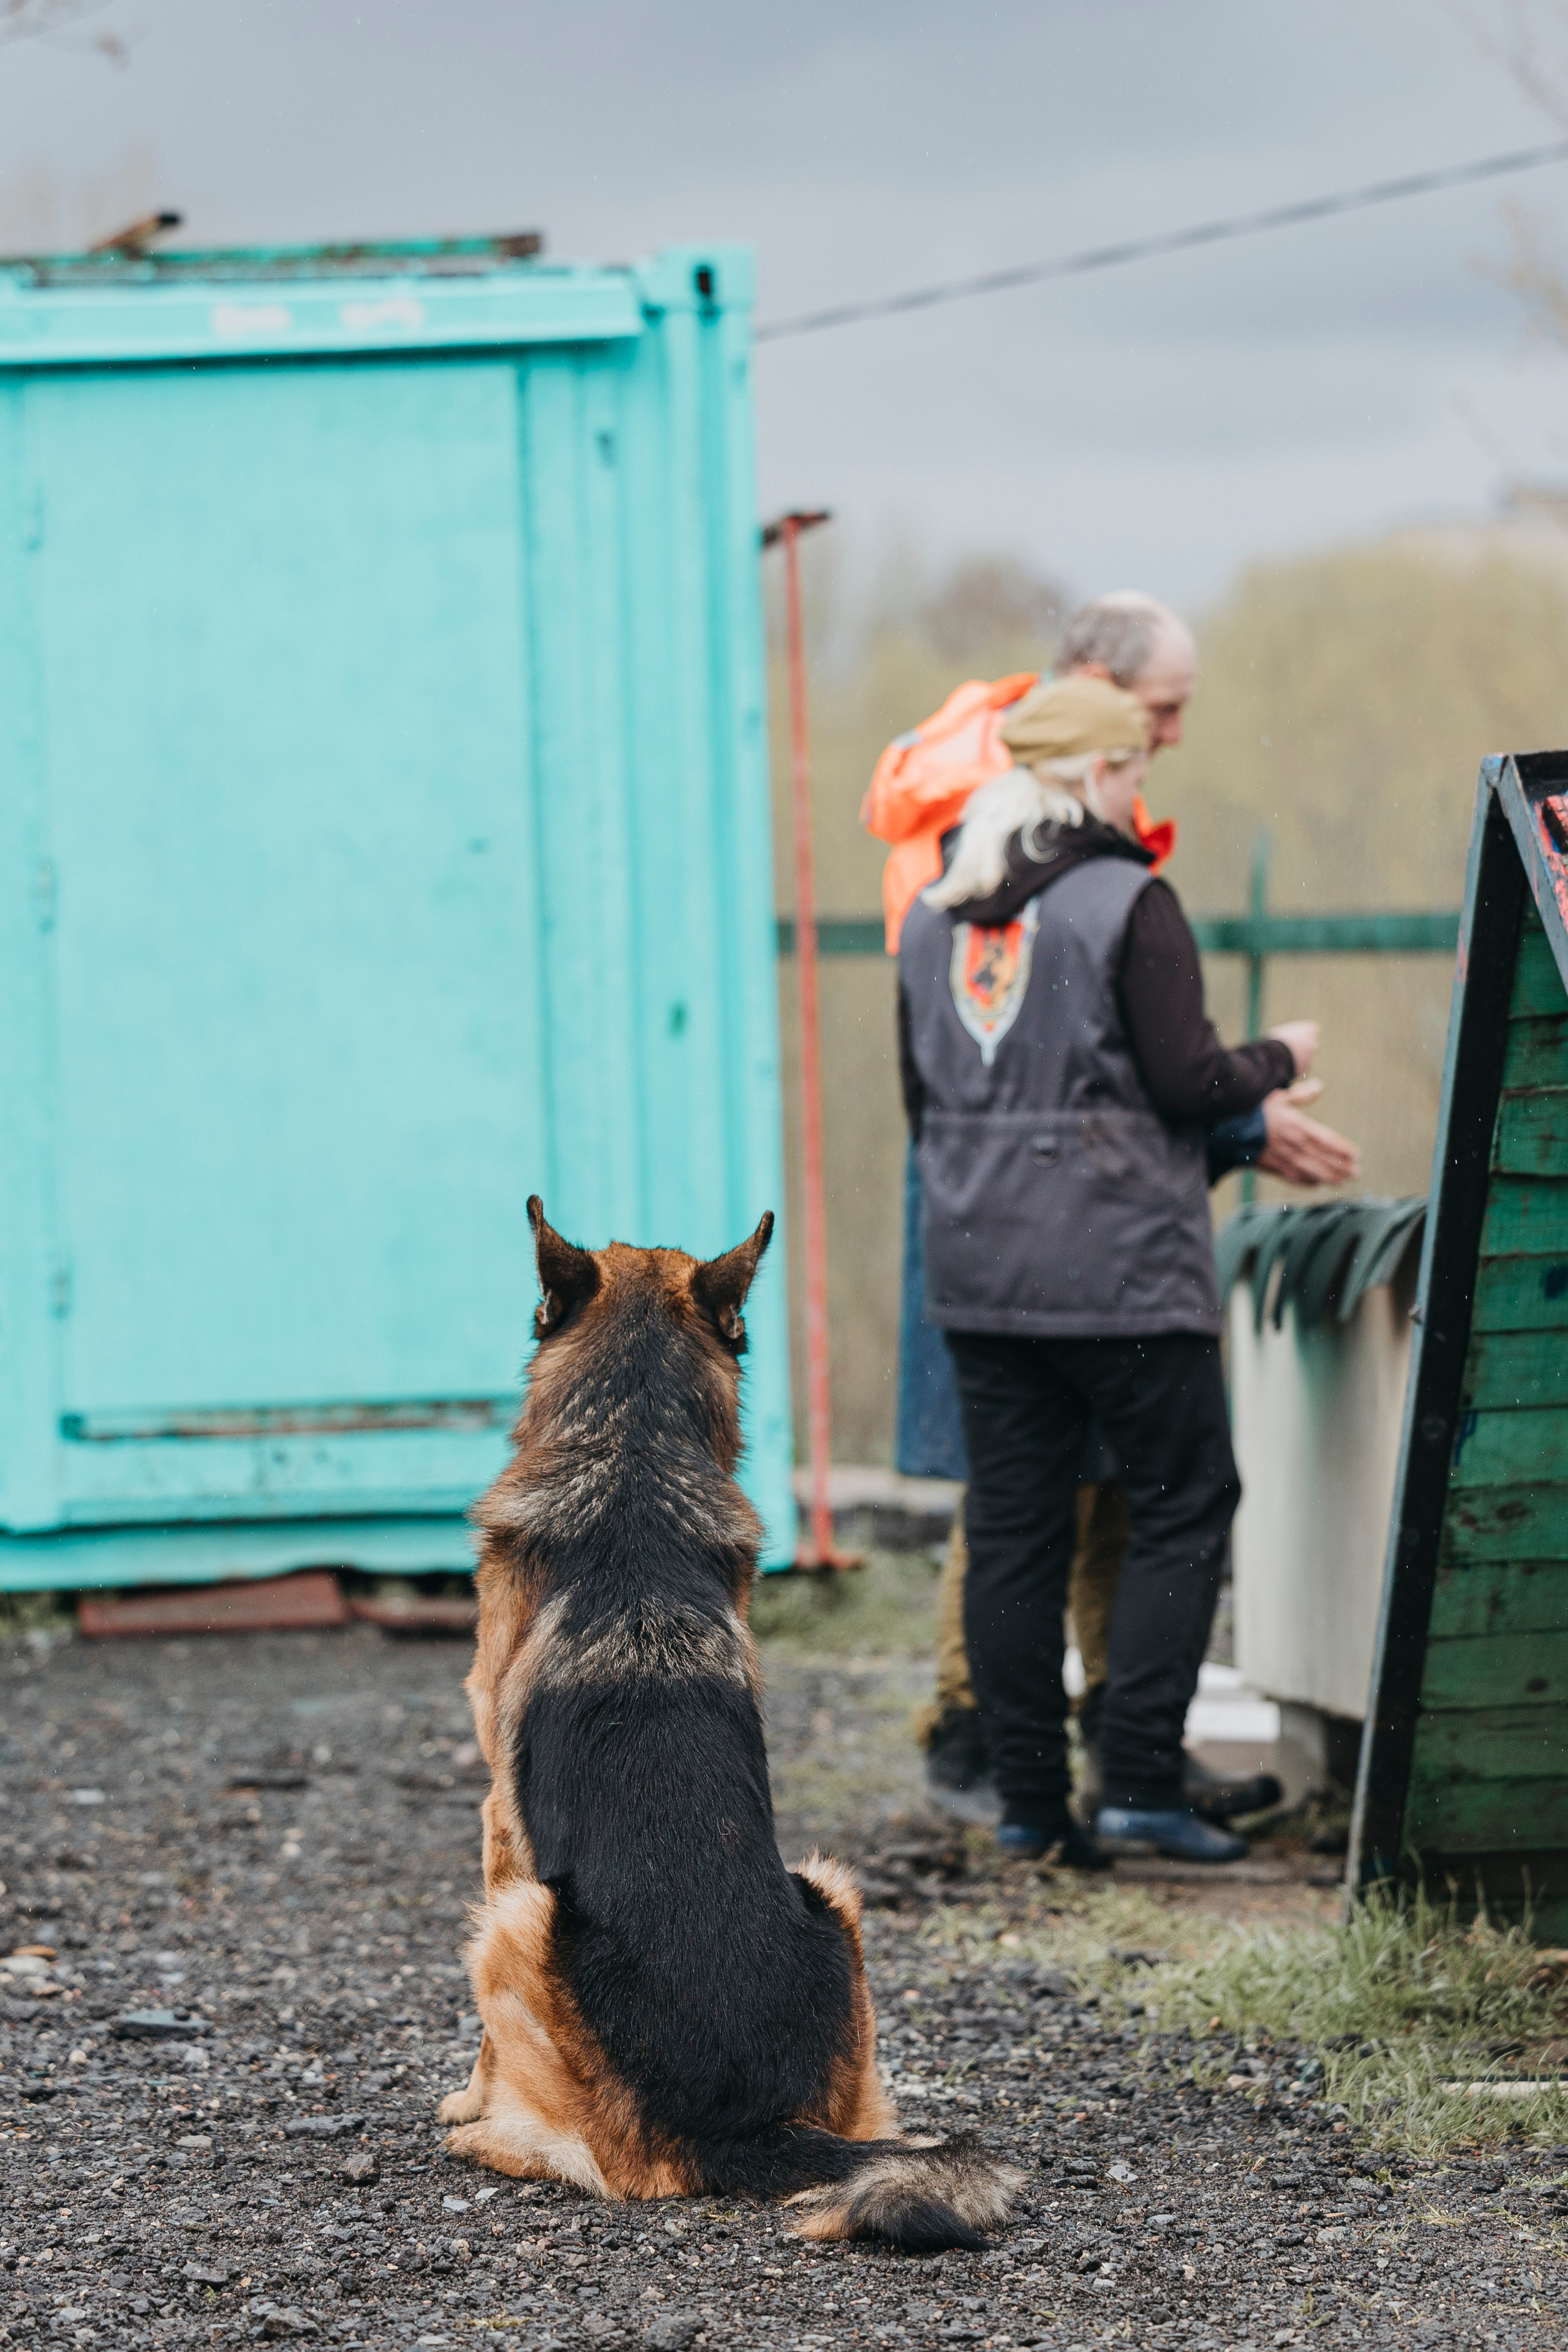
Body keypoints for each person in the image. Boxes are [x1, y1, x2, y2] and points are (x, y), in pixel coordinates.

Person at [905, 592, 1357, 1827]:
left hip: (980, 1271)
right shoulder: (1124, 899)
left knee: (1013, 1528)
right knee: (1183, 1499)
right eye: (1135, 763)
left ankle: (1029, 1806)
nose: (1143, 780)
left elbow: (925, 1099)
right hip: (1117, 1272)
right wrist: (1275, 1059)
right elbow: (1182, 1080)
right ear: (1099, 772)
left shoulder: (935, 916)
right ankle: (1143, 1785)